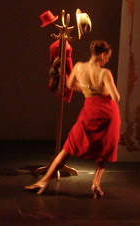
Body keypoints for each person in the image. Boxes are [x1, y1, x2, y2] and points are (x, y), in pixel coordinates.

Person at [25, 40, 121, 198]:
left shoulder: (78, 67)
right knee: (104, 149)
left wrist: (86, 89)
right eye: (107, 57)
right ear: (103, 55)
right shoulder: (105, 73)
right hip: (106, 111)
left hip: (90, 109)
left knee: (69, 146)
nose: (107, 60)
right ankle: (96, 183)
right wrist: (99, 89)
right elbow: (115, 96)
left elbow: (69, 85)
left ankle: (44, 181)